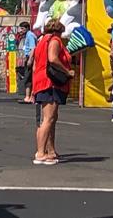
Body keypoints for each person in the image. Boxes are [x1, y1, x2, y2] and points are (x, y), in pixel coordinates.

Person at [32, 18, 73, 165]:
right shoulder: (54, 40)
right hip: (50, 82)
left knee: (50, 119)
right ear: (58, 30)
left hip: (41, 80)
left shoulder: (42, 41)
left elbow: (35, 64)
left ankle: (50, 150)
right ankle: (41, 152)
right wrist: (67, 71)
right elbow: (53, 58)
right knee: (48, 119)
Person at [17, 21, 37, 103]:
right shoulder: (27, 36)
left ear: (27, 28)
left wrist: (30, 59)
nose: (20, 30)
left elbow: (33, 48)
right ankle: (28, 96)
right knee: (27, 76)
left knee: (28, 77)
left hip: (30, 57)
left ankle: (29, 97)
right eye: (20, 28)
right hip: (28, 57)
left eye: (22, 28)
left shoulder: (30, 35)